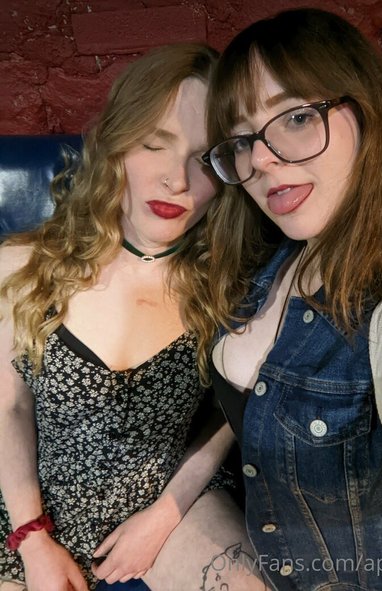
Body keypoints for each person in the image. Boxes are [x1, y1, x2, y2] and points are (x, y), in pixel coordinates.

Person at [203, 8, 382, 591]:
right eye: (242, 140)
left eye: (296, 117)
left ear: (367, 115)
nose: (260, 159)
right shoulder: (261, 270)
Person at [0, 44, 267, 591]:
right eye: (154, 144)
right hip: (31, 511)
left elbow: (230, 413)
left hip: (172, 499)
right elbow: (9, 407)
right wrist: (32, 538)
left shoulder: (234, 282)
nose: (177, 181)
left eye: (204, 159)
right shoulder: (23, 265)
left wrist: (165, 514)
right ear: (116, 145)